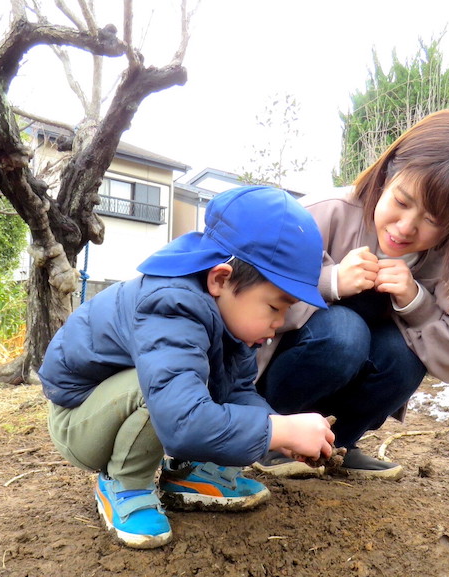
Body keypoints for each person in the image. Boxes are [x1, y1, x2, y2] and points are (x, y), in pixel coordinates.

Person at [38, 186, 336, 550]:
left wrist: (281, 434)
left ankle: (188, 477)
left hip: (131, 407)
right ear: (221, 279)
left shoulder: (229, 322)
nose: (279, 323)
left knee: (191, 386)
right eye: (275, 307)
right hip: (81, 422)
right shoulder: (170, 304)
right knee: (159, 391)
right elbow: (180, 422)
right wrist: (278, 429)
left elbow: (239, 391)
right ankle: (124, 483)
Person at [253, 109, 449, 480]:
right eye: (402, 202)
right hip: (279, 379)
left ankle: (337, 445)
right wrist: (331, 282)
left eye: (434, 220)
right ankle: (270, 435)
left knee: (402, 354)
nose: (405, 228)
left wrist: (418, 303)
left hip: (349, 375)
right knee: (344, 332)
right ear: (388, 172)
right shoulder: (321, 213)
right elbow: (246, 300)